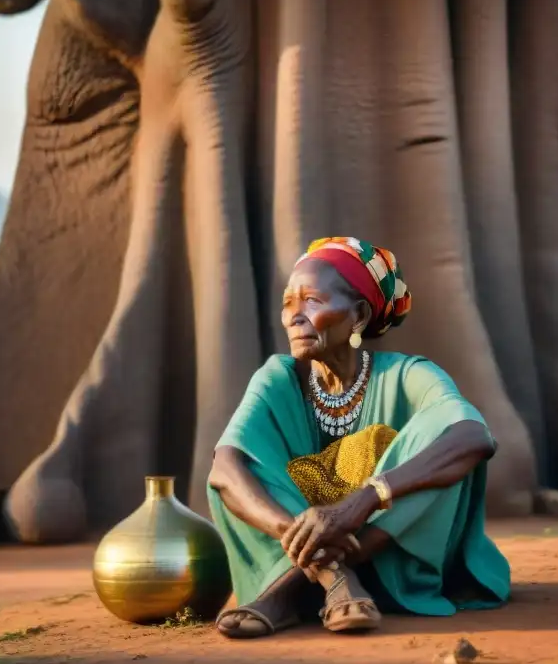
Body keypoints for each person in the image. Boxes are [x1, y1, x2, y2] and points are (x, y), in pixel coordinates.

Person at [207, 237, 510, 639]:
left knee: (437, 446)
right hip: (294, 552)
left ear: (360, 316)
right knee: (240, 464)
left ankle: (287, 593)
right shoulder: (277, 378)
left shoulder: (407, 374)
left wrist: (366, 498)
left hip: (395, 558)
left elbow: (475, 436)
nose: (295, 317)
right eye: (288, 302)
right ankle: (332, 577)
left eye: (312, 300)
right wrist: (316, 547)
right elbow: (225, 467)